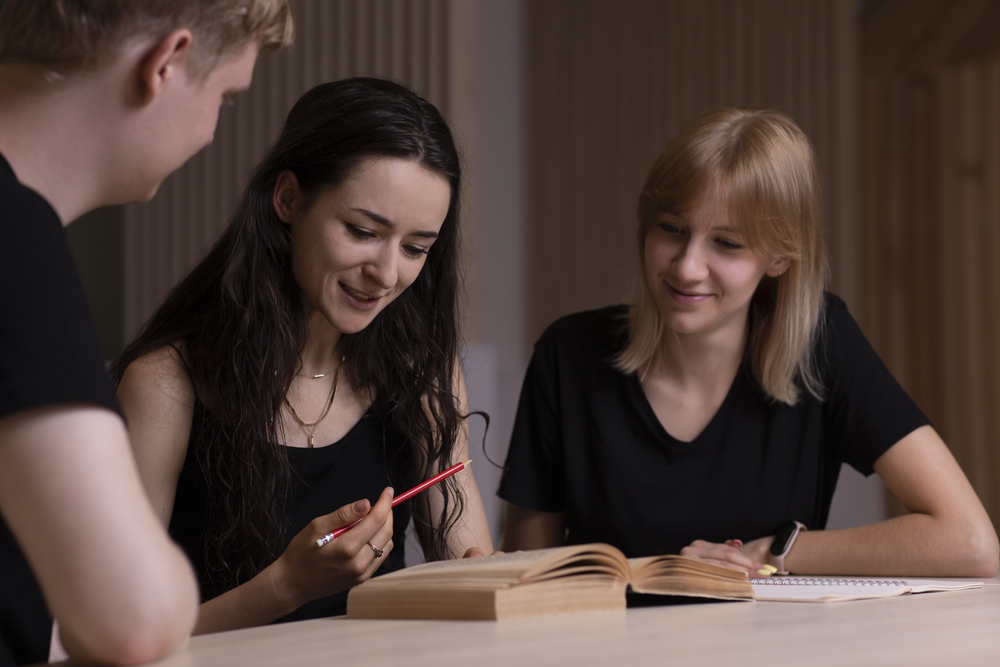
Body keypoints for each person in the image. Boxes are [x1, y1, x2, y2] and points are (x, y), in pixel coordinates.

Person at [498, 108, 999, 578]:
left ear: (779, 258)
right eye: (671, 229)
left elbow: (972, 544)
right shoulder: (567, 354)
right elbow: (528, 573)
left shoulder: (819, 340)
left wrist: (772, 552)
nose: (687, 267)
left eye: (728, 243)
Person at [111, 77, 495, 634]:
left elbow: (472, 566)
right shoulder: (167, 384)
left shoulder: (423, 372)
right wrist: (285, 586)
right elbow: (119, 635)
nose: (387, 275)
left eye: (416, 249)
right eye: (363, 231)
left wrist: (492, 582)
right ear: (288, 199)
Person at [0, 1, 293, 665]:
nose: (214, 131)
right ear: (166, 62)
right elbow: (130, 617)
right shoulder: (16, 241)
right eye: (227, 97)